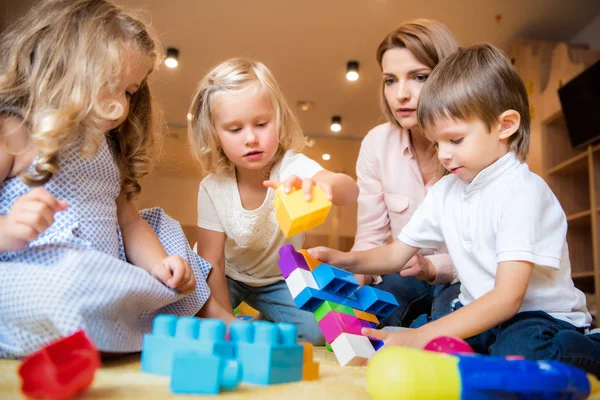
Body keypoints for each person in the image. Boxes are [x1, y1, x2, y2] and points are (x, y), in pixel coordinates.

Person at [309, 43, 600, 376]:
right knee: (446, 343)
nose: (444, 155)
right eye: (437, 143)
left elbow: (508, 298)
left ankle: (592, 345)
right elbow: (395, 255)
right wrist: (344, 259)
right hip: (477, 307)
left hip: (535, 317)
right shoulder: (447, 189)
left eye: (456, 140)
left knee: (521, 351)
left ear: (505, 125)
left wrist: (421, 336)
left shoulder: (523, 192)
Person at [0, 0, 231, 359]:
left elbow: (129, 221)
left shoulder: (107, 146)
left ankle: (205, 314)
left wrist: (158, 266)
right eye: (112, 85)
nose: (122, 107)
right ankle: (93, 335)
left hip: (107, 273)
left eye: (129, 92)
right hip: (39, 272)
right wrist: (8, 229)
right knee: (57, 290)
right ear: (65, 65)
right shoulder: (14, 131)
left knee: (162, 227)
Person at [188, 58, 359, 345]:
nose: (251, 138)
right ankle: (243, 320)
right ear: (215, 135)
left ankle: (263, 319)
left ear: (278, 120)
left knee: (316, 333)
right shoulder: (212, 187)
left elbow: (350, 190)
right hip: (226, 276)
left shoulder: (293, 168)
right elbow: (212, 261)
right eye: (235, 129)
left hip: (279, 279)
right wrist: (226, 321)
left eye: (261, 124)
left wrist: (321, 185)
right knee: (196, 320)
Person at [353, 19, 460, 327]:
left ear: (447, 77)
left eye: (419, 77)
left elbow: (486, 256)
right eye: (390, 80)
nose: (401, 94)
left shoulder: (473, 146)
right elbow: (370, 237)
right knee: (370, 313)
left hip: (465, 277)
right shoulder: (376, 143)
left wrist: (432, 267)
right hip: (405, 275)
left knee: (450, 327)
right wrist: (348, 286)